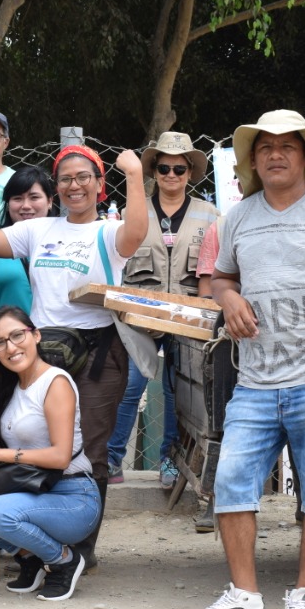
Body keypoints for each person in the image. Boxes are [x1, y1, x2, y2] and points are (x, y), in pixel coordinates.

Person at [184, 110, 305, 609]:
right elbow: (219, 280)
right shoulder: (237, 218)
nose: (274, 154)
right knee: (231, 483)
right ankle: (245, 598)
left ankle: (303, 595)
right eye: (264, 147)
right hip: (256, 380)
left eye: (287, 146)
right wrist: (230, 295)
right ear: (253, 159)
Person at [0, 144, 148, 568]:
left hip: (99, 354)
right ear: (56, 187)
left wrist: (134, 175)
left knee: (91, 449)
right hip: (44, 354)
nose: (74, 185)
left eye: (84, 177)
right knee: (36, 440)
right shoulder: (38, 229)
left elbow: (136, 235)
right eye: (65, 179)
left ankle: (81, 546)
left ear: (99, 184)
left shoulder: (109, 231)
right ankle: (35, 541)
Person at [0, 307, 101, 601]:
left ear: (35, 335)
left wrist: (0, 453)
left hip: (73, 496)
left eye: (17, 336)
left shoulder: (55, 383)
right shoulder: (12, 384)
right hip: (31, 491)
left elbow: (61, 457)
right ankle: (31, 555)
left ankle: (64, 560)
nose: (11, 347)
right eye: (1, 342)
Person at [109, 132, 218, 488]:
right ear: (154, 171)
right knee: (129, 385)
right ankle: (111, 460)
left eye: (179, 169)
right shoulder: (130, 212)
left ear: (190, 173)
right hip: (140, 313)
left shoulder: (211, 214)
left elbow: (219, 266)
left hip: (189, 315)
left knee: (179, 392)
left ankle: (171, 460)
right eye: (164, 168)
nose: (172, 175)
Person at [0, 166, 58, 313]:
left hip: (58, 334)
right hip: (8, 334)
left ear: (49, 201)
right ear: (8, 204)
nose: (26, 206)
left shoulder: (67, 240)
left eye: (34, 197)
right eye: (17, 198)